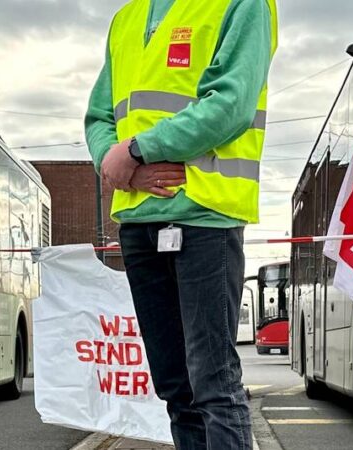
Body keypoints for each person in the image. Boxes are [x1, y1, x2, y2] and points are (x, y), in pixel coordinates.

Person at [85, 0, 277, 448]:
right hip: (139, 221)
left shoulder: (242, 5)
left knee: (214, 385)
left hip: (206, 217)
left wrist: (136, 150)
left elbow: (232, 103)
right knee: (176, 389)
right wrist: (121, 165)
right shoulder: (126, 19)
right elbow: (99, 118)